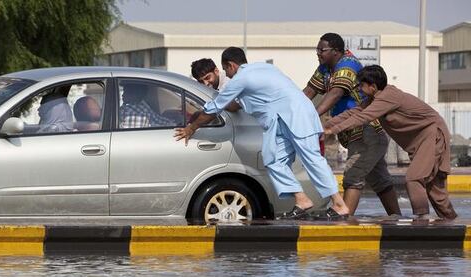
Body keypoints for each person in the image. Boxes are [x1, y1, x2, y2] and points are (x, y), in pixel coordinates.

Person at [175, 46, 350, 219]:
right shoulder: (265, 68)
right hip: (281, 121)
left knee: (312, 159)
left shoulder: (240, 79)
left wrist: (191, 128)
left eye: (226, 70)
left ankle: (339, 204)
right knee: (273, 159)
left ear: (231, 65)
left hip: (297, 116)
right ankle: (302, 200)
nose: (226, 75)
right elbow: (238, 104)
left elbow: (212, 110)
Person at [324, 65, 457, 219]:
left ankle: (422, 221)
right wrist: (325, 126)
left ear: (373, 86)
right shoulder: (375, 98)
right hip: (422, 140)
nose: (359, 89)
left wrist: (333, 130)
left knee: (414, 177)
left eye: (361, 85)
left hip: (432, 135)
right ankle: (452, 222)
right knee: (435, 189)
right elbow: (354, 112)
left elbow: (363, 118)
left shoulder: (388, 97)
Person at [304, 33, 400, 216]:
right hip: (357, 133)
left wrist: (310, 117)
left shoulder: (348, 65)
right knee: (380, 179)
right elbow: (309, 91)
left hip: (367, 131)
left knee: (353, 175)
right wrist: (292, 111)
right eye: (317, 49)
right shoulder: (325, 68)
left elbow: (335, 94)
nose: (318, 53)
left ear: (336, 51)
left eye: (322, 50)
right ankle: (397, 220)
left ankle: (343, 219)